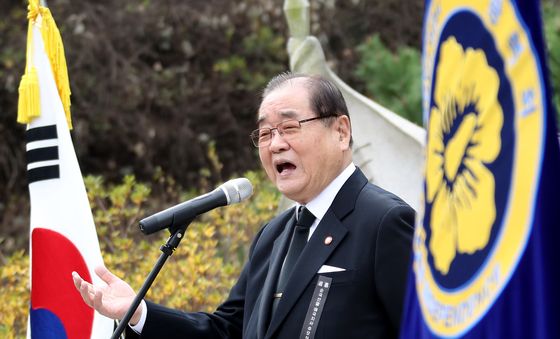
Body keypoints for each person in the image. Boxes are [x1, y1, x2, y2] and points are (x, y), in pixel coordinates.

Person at [73, 72, 415, 338]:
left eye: (289, 127)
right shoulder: (274, 235)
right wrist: (137, 313)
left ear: (341, 131)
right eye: (265, 134)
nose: (275, 144)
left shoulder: (385, 221)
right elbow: (227, 332)